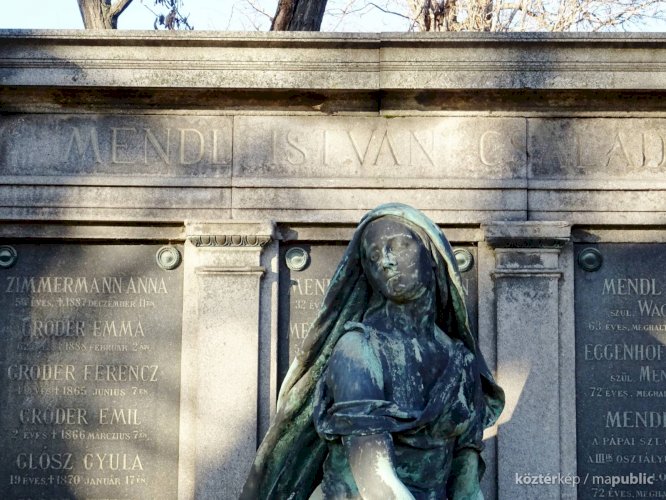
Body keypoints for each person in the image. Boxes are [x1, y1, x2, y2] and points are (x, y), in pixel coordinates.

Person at [241, 203, 504, 500]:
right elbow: (376, 480)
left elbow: (466, 488)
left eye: (399, 246)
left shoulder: (462, 362)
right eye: (374, 256)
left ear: (432, 255)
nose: (386, 261)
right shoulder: (357, 350)